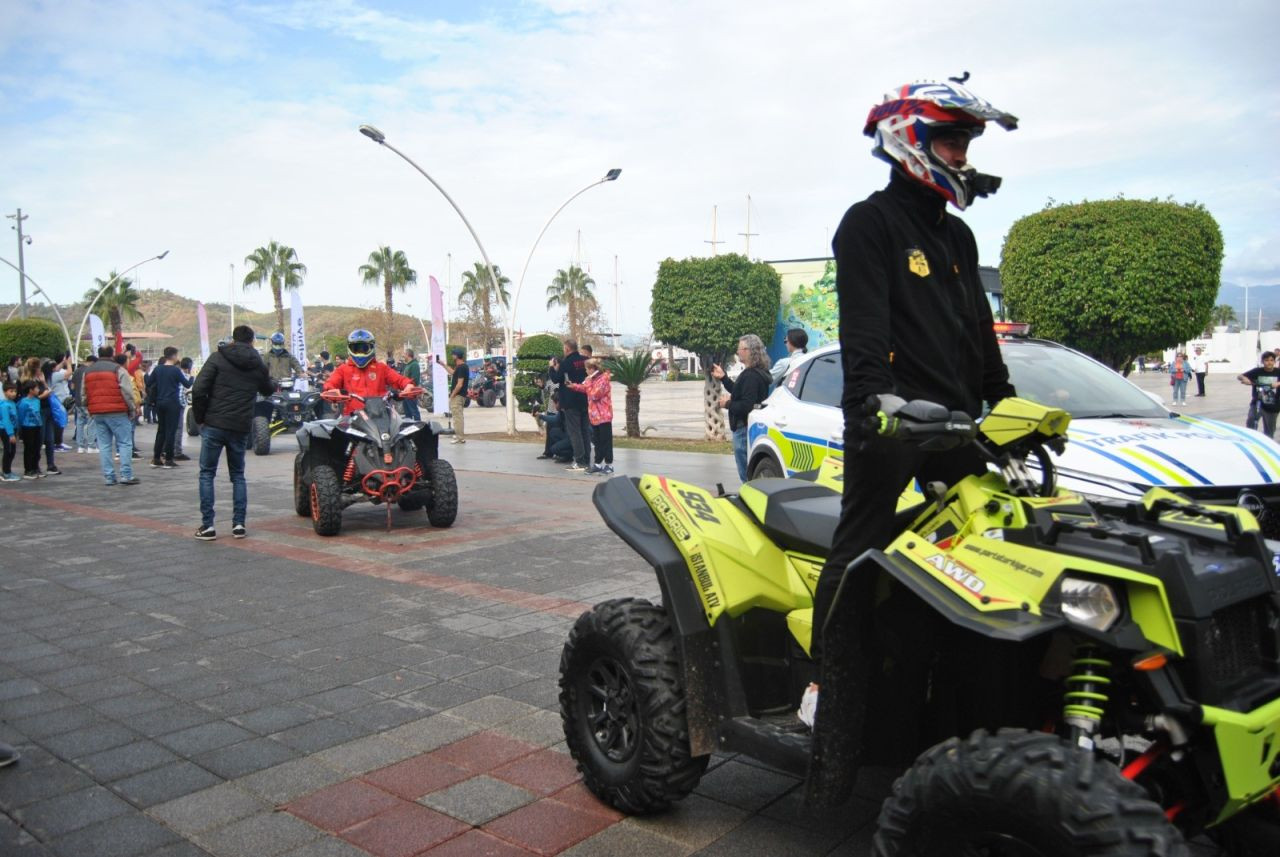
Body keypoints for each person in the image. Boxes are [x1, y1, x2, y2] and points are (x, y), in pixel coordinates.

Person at [814, 79, 1018, 668]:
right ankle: (825, 688)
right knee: (859, 546)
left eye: (964, 143)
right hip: (892, 420)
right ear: (910, 140)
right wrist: (873, 405)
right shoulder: (868, 223)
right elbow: (865, 330)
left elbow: (979, 327)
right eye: (951, 141)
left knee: (988, 540)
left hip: (955, 425)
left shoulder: (957, 233)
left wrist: (1001, 401)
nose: (962, 155)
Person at [191, 325, 274, 540]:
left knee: (207, 473)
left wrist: (200, 418)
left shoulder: (217, 358)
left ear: (232, 339)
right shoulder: (257, 363)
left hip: (214, 424)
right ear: (252, 341)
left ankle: (208, 526)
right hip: (240, 426)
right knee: (238, 475)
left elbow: (199, 389)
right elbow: (267, 389)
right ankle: (239, 524)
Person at [712, 335, 772, 481]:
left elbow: (746, 406)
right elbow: (740, 392)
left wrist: (727, 404)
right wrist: (724, 378)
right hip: (750, 427)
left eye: (739, 348)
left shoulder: (751, 375)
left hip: (743, 428)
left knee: (746, 476)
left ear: (748, 351)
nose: (738, 352)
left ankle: (750, 501)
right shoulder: (758, 372)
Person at [322, 329, 417, 419]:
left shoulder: (381, 368)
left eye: (364, 348)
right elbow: (330, 383)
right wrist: (332, 391)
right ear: (350, 349)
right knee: (335, 433)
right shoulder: (343, 369)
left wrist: (408, 385)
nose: (360, 351)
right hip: (352, 417)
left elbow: (399, 379)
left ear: (371, 348)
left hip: (381, 415)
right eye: (356, 348)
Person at [84, 345, 139, 485]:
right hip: (117, 411)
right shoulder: (118, 369)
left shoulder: (88, 371)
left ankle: (109, 476)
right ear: (112, 354)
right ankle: (126, 475)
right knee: (125, 442)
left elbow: (83, 393)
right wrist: (132, 409)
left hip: (97, 412)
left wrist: (88, 409)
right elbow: (127, 391)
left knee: (104, 445)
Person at [564, 357, 615, 474]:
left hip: (604, 416)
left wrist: (588, 382)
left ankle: (609, 464)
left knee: (605, 441)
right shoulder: (593, 380)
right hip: (594, 415)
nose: (586, 372)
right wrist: (575, 386)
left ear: (592, 369)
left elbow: (594, 395)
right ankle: (597, 463)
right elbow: (587, 389)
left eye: (587, 369)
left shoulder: (603, 380)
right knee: (597, 441)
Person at [548, 339, 591, 470]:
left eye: (563, 349)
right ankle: (586, 459)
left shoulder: (566, 362)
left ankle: (579, 461)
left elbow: (556, 379)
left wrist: (552, 367)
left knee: (575, 432)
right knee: (585, 431)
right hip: (584, 399)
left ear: (567, 349)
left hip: (570, 401)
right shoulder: (585, 360)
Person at [147, 346, 192, 469]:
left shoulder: (158, 369)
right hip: (172, 403)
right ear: (173, 356)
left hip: (160, 402)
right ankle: (168, 459)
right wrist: (191, 377)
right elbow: (187, 384)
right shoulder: (175, 370)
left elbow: (149, 382)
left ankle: (156, 458)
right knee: (171, 431)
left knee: (161, 430)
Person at [1238, 352, 1280, 438]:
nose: (1269, 362)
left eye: (1272, 360)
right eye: (1266, 360)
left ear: (1274, 362)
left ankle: (1267, 446)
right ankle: (1250, 440)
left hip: (1273, 405)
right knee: (1251, 421)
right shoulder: (1257, 371)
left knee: (1269, 431)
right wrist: (1245, 379)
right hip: (1258, 402)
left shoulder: (1278, 372)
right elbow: (1240, 376)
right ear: (1262, 361)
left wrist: (1278, 383)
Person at [436, 348, 470, 443]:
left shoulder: (462, 367)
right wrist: (443, 364)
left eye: (453, 354)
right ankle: (459, 435)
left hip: (458, 396)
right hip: (460, 396)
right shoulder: (461, 367)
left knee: (457, 417)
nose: (452, 356)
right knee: (458, 416)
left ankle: (460, 438)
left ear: (456, 356)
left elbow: (459, 384)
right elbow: (452, 373)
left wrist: (452, 395)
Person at [17, 380, 46, 479]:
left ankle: (35, 467)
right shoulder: (23, 402)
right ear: (30, 390)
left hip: (37, 425)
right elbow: (21, 416)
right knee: (29, 448)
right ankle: (28, 469)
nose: (38, 390)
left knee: (37, 448)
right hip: (27, 426)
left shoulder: (37, 400)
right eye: (36, 388)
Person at [173, 356, 194, 460]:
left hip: (170, 403)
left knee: (170, 428)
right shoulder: (185, 375)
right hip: (178, 405)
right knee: (178, 428)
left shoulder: (175, 373)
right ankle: (177, 451)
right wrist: (182, 404)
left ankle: (167, 450)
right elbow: (181, 393)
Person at [0, 381, 19, 482]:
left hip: (12, 429)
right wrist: (11, 434)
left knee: (12, 451)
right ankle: (6, 473)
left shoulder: (12, 403)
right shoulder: (4, 405)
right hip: (6, 430)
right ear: (5, 392)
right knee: (8, 451)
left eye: (15, 391)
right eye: (11, 391)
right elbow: (6, 420)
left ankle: (8, 471)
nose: (14, 393)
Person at [400, 349, 422, 421]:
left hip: (411, 392)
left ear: (408, 355)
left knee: (414, 410)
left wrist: (408, 386)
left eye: (404, 354)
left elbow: (415, 379)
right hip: (406, 392)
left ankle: (419, 426)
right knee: (407, 412)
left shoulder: (414, 365)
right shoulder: (408, 365)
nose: (403, 356)